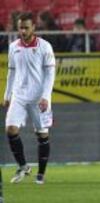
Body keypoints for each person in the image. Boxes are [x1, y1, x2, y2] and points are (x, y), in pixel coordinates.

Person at [3, 12, 56, 185]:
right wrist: (7, 94)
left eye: (26, 27)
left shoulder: (45, 46)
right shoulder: (13, 47)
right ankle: (23, 167)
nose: (23, 31)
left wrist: (46, 97)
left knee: (42, 135)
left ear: (33, 27)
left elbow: (50, 74)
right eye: (20, 27)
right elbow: (11, 71)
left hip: (38, 98)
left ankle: (41, 174)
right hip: (19, 96)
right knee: (10, 129)